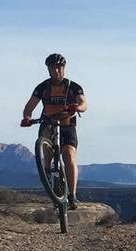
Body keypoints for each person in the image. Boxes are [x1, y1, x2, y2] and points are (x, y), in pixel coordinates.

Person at [21, 53, 87, 209]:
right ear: (49, 70)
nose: (56, 71)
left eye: (59, 67)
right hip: (48, 121)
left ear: (63, 69)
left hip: (67, 123)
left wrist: (77, 107)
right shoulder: (42, 87)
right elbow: (30, 106)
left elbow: (84, 103)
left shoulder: (73, 86)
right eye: (53, 68)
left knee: (69, 155)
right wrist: (27, 117)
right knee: (45, 141)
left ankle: (72, 195)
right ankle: (47, 169)